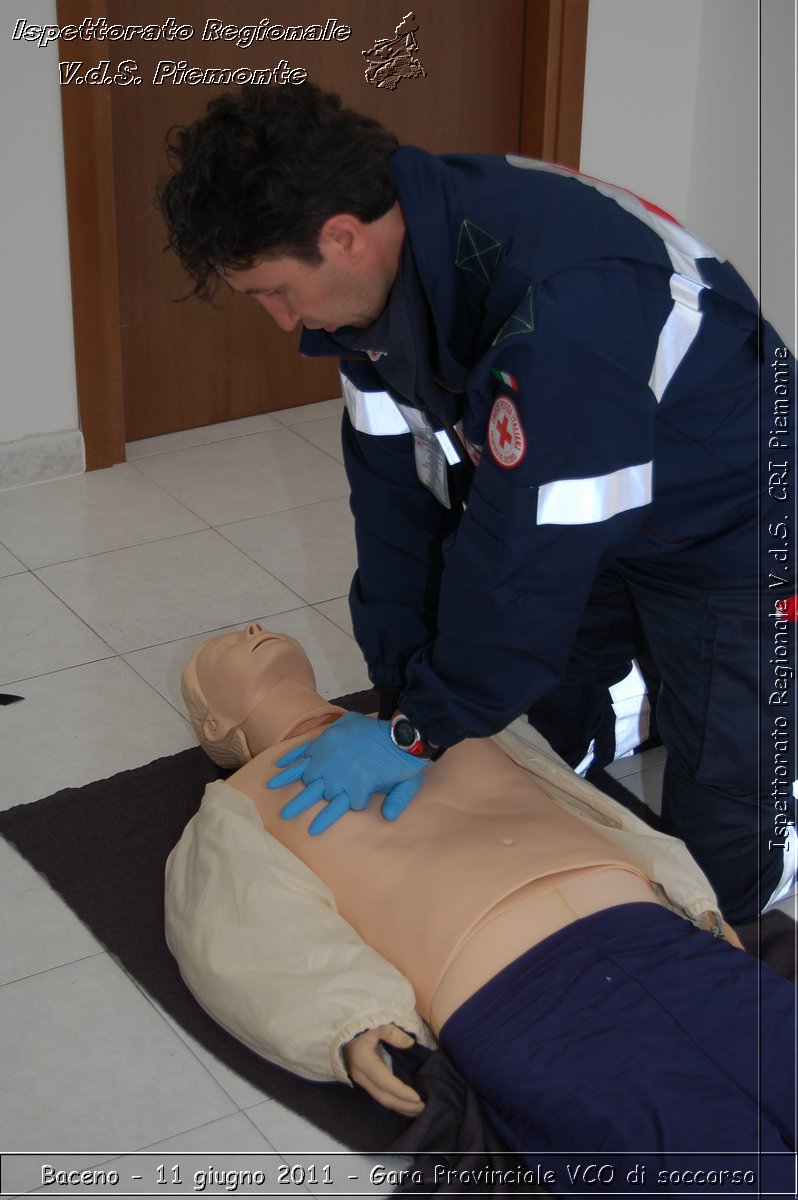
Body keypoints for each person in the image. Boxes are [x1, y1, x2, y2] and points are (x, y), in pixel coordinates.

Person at [157, 83, 797, 927]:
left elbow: (522, 565)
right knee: (540, 694)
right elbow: (395, 510)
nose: (282, 322)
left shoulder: (563, 316)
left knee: (728, 803)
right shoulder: (381, 289)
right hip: (593, 464)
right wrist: (403, 695)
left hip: (735, 498)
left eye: (274, 291)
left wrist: (417, 732)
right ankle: (620, 720)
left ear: (342, 237)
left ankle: (756, 903)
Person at [165, 622, 796, 1192]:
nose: (251, 626)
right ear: (213, 727)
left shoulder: (438, 717)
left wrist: (682, 891)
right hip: (523, 1004)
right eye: (221, 645)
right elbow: (238, 937)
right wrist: (345, 1021)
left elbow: (581, 804)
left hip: (660, 939)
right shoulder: (234, 808)